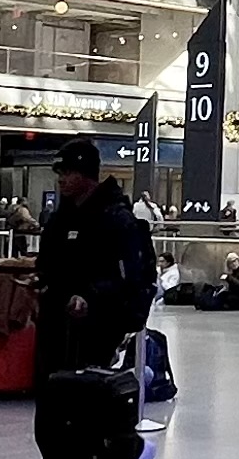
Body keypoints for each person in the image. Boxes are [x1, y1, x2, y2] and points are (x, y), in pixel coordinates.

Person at [32, 139, 155, 378]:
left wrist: (92, 296)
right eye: (60, 173)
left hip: (99, 324)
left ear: (86, 175)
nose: (61, 179)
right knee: (52, 387)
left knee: (88, 392)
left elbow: (130, 277)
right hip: (56, 322)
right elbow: (49, 262)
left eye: (68, 172)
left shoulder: (116, 219)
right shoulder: (61, 218)